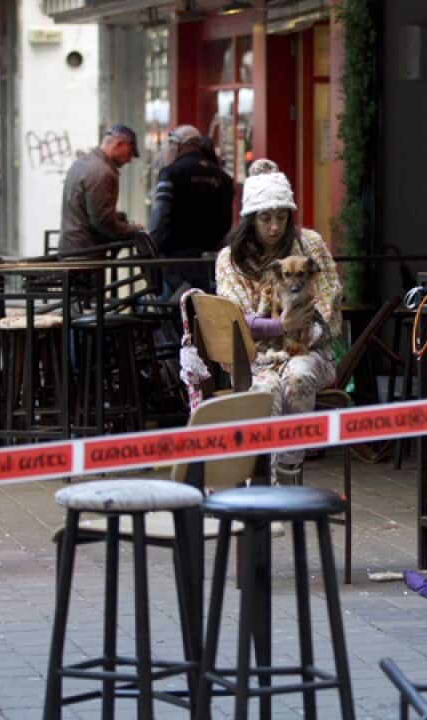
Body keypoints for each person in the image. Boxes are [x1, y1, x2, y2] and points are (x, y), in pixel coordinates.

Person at [215, 158, 342, 481]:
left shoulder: (309, 244)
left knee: (298, 377)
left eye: (282, 217)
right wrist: (280, 327)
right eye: (266, 218)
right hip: (255, 357)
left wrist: (306, 333)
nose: (275, 226)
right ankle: (262, 478)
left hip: (310, 350)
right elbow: (236, 317)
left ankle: (289, 464)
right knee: (266, 391)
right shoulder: (231, 259)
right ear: (250, 219)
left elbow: (329, 293)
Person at [150, 126, 233, 295]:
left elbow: (160, 215)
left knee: (175, 311)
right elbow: (227, 219)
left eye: (171, 143)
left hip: (177, 259)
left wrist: (153, 245)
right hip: (212, 258)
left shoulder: (171, 173)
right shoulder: (222, 176)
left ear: (180, 145)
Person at [60, 124, 142, 255]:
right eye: (130, 153)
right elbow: (102, 221)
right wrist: (132, 230)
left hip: (74, 247)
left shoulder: (83, 162)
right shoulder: (102, 171)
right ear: (120, 144)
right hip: (86, 253)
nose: (129, 160)